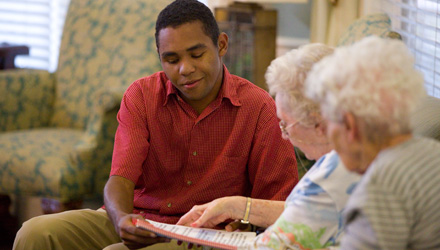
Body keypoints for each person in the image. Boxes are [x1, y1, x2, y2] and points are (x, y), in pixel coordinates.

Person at [12, 1, 298, 250]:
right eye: (171, 60)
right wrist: (122, 219)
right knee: (35, 234)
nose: (184, 68)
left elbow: (280, 201)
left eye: (196, 54)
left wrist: (243, 221)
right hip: (140, 218)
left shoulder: (258, 107)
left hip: (203, 235)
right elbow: (120, 179)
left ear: (221, 44)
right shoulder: (141, 96)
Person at [177, 43, 361, 249]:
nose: (283, 135)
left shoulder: (332, 177)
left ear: (318, 123)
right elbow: (303, 211)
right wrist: (234, 206)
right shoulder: (361, 148)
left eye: (285, 123)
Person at [305, 36, 440, 249]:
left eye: (327, 122)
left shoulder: (381, 187)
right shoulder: (433, 152)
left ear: (350, 125)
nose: (324, 132)